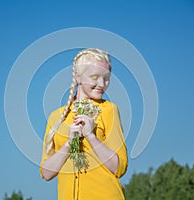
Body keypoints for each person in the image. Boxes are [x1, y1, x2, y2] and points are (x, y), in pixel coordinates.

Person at [40, 48, 128, 200]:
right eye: (95, 77)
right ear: (78, 77)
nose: (102, 84)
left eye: (106, 78)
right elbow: (46, 173)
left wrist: (91, 136)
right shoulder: (56, 117)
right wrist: (68, 144)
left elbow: (119, 167)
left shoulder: (109, 110)